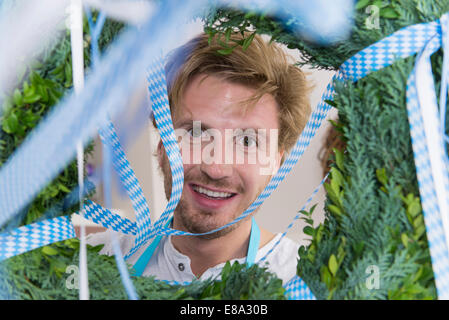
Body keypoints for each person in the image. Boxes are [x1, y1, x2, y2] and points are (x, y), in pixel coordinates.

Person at [86, 32, 311, 285]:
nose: (216, 168)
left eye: (248, 141)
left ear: (277, 165)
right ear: (162, 147)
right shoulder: (95, 263)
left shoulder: (307, 282)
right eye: (195, 133)